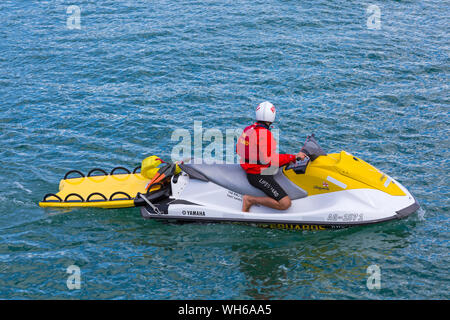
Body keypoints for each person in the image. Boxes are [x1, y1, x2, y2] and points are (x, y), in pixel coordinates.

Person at [236, 101, 306, 212]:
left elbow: (238, 150)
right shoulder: (265, 134)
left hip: (252, 168)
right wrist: (293, 157)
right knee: (285, 203)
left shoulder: (248, 129)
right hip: (258, 174)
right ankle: (250, 200)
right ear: (272, 116)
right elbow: (270, 160)